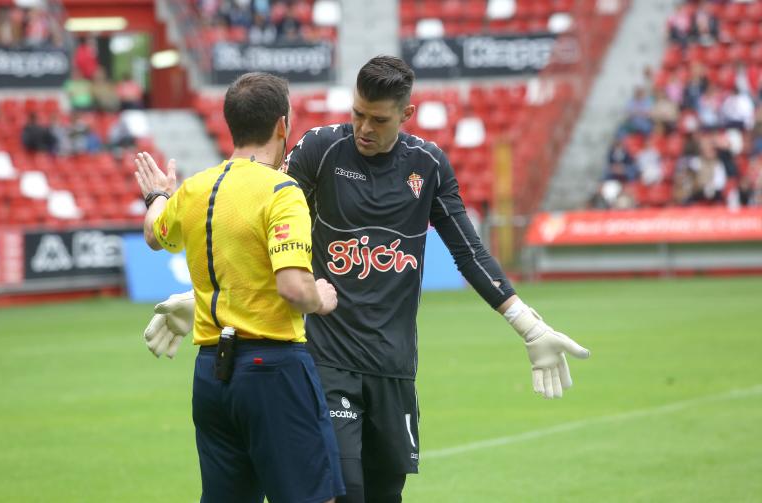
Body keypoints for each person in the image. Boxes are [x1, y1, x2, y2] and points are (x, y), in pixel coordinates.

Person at [144, 56, 590, 502]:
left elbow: (468, 253)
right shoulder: (319, 149)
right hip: (326, 359)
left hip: (394, 366)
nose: (364, 128)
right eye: (358, 113)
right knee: (344, 492)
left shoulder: (428, 165)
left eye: (378, 119)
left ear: (406, 115)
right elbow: (257, 221)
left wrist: (530, 327)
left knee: (383, 495)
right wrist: (204, 299)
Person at [134, 71, 345, 503]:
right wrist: (320, 299)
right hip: (274, 369)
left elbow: (155, 235)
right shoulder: (281, 191)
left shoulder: (193, 189)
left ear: (231, 123)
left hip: (212, 374)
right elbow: (292, 285)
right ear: (282, 125)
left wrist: (157, 195)